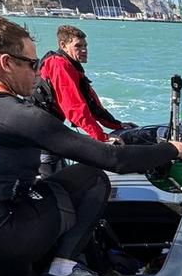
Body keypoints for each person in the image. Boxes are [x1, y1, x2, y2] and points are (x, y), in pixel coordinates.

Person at [0, 16, 182, 276]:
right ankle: (63, 273)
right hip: (1, 237)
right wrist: (175, 149)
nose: (39, 73)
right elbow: (113, 160)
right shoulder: (11, 113)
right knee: (91, 178)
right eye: (32, 64)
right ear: (6, 63)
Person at [37, 25, 136, 175]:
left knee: (61, 174)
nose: (84, 50)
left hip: (51, 129)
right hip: (40, 134)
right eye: (78, 46)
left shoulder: (71, 65)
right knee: (51, 183)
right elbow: (74, 107)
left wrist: (115, 124)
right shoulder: (59, 64)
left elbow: (91, 102)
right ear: (63, 45)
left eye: (85, 45)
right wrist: (101, 137)